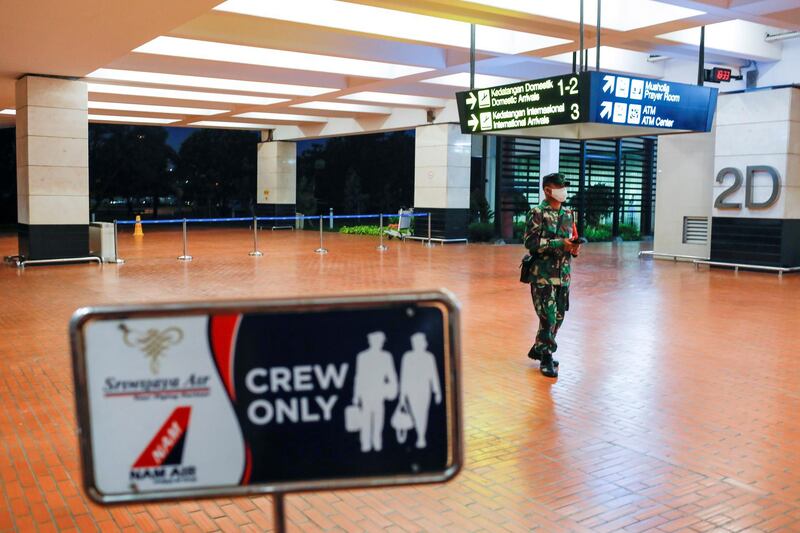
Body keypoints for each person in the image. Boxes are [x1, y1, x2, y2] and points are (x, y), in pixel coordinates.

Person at [523, 173, 582, 378]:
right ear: (548, 190)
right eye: (560, 187)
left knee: (558, 316)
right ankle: (546, 355)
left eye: (565, 187)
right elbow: (530, 244)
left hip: (563, 274)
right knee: (547, 317)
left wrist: (573, 248)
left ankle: (539, 348)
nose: (564, 190)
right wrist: (559, 243)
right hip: (542, 275)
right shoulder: (536, 213)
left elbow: (571, 241)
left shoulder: (568, 214)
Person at [352, 331, 398, 452]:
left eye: (380, 341)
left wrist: (393, 390)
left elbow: (391, 374)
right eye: (376, 341)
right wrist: (356, 395)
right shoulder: (362, 356)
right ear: (370, 341)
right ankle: (365, 444)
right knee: (365, 419)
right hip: (366, 394)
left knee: (379, 419)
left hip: (379, 393)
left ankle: (377, 443)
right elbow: (359, 376)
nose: (379, 343)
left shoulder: (386, 356)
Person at [397, 333, 442, 449]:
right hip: (411, 389)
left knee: (423, 413)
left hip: (424, 389)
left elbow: (433, 375)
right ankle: (420, 436)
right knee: (415, 413)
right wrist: (402, 395)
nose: (424, 344)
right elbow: (404, 376)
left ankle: (421, 436)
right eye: (422, 341)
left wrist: (437, 391)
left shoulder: (429, 357)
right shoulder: (407, 357)